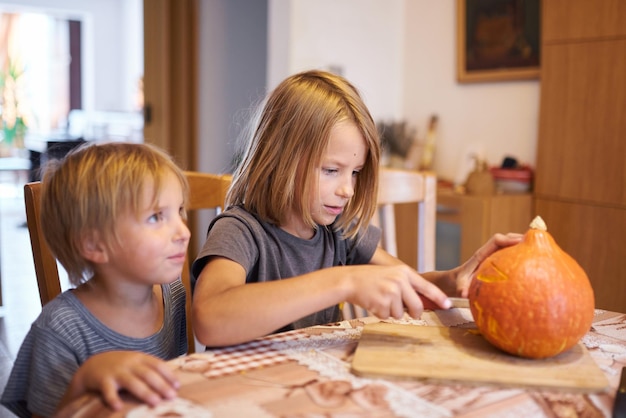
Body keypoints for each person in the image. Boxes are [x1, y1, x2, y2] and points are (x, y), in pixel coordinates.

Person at [191, 69, 522, 347]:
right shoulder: (240, 229)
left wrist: (455, 278)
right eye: (331, 170)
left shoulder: (338, 229)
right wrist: (343, 281)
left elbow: (401, 285)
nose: (348, 189)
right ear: (281, 159)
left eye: (356, 172)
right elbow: (210, 319)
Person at [1, 142, 190, 418]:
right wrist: (82, 380)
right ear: (94, 245)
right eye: (156, 217)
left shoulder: (172, 293)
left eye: (180, 211)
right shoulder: (60, 329)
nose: (183, 231)